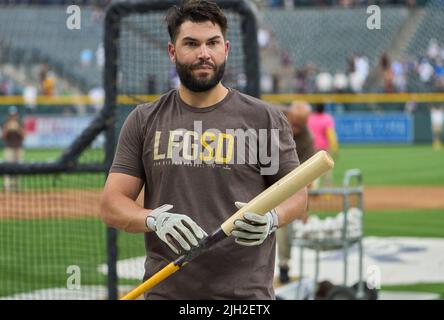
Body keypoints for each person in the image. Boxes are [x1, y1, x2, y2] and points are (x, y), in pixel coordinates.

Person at [100, 0, 308, 300]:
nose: (203, 54)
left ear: (226, 48)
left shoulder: (264, 119)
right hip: (168, 293)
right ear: (173, 52)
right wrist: (154, 220)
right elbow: (111, 204)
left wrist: (273, 219)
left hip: (246, 299)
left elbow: (298, 196)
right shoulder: (145, 120)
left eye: (212, 43)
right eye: (191, 44)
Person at [276, 100, 315, 284]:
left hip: (286, 185)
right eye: (294, 123)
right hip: (259, 176)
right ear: (289, 116)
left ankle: (284, 265)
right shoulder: (273, 117)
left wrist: (303, 206)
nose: (296, 128)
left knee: (284, 226)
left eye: (301, 125)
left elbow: (306, 174)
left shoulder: (306, 138)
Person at [307, 103, 338, 188]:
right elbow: (330, 134)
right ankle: (327, 192)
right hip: (324, 148)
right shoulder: (327, 118)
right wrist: (335, 147)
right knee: (327, 170)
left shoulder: (311, 118)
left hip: (312, 147)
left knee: (313, 169)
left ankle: (313, 189)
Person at [2, 106, 25, 191]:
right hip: (9, 148)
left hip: (19, 148)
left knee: (18, 168)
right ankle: (7, 187)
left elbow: (24, 136)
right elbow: (3, 137)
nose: (13, 116)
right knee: (7, 167)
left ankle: (16, 187)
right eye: (11, 115)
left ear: (17, 115)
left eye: (14, 114)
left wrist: (18, 128)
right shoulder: (6, 123)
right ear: (9, 115)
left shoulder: (20, 123)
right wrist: (8, 128)